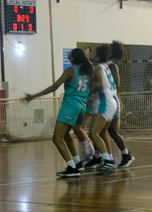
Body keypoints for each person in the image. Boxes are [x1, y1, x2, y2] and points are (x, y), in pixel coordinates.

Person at [24, 48, 92, 178]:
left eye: (71, 52)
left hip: (70, 106)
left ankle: (72, 167)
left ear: (73, 57)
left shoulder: (71, 70)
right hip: (81, 107)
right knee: (66, 135)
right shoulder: (87, 71)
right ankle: (77, 162)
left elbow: (54, 87)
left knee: (56, 138)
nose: (69, 53)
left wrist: (33, 96)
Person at [88, 44, 119, 173]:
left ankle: (108, 161)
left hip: (105, 103)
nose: (90, 52)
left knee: (93, 134)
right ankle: (109, 158)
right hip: (109, 101)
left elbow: (100, 84)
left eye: (93, 51)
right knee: (101, 134)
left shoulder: (98, 68)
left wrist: (86, 82)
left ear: (97, 57)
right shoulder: (104, 66)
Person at [106, 40, 135, 168]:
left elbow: (116, 85)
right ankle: (122, 155)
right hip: (106, 101)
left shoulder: (112, 66)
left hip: (110, 101)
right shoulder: (103, 65)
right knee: (107, 131)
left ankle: (122, 155)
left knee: (108, 131)